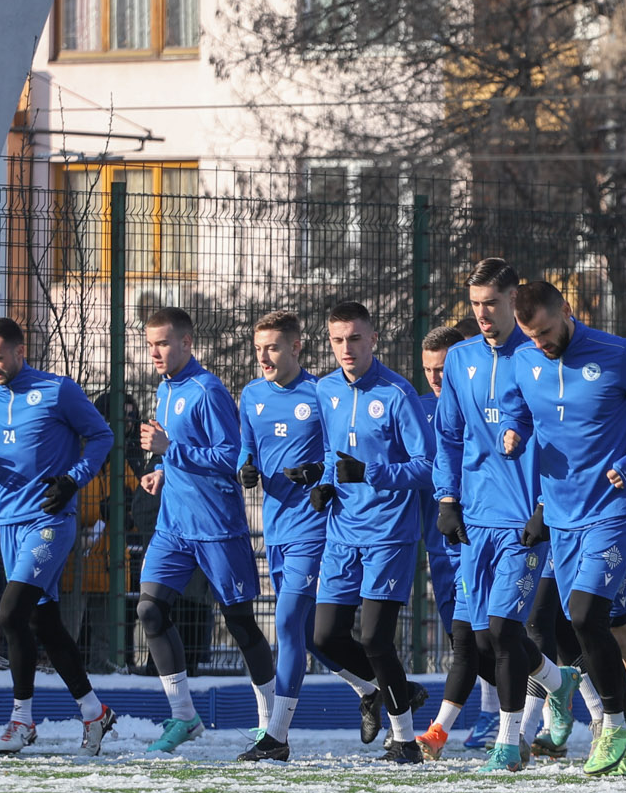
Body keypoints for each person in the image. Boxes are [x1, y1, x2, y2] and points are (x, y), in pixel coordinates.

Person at [499, 279, 626, 776]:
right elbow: (519, 405)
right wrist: (513, 430)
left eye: (545, 332)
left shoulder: (618, 354)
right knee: (607, 625)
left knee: (583, 615)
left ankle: (615, 730)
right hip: (561, 514)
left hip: (615, 508)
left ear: (565, 309)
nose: (541, 344)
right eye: (530, 336)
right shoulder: (524, 359)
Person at [426, 260, 578, 772]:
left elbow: (563, 437)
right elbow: (448, 436)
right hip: (475, 516)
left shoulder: (539, 356)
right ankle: (559, 682)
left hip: (524, 520)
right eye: (476, 304)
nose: (483, 314)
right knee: (483, 637)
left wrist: (544, 507)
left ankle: (509, 745)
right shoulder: (460, 359)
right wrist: (446, 499)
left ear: (515, 300)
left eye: (492, 303)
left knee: (505, 629)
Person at [0, 317, 118, 757]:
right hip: (8, 522)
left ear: (19, 351)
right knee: (43, 623)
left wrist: (73, 479)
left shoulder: (57, 389)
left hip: (50, 518)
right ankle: (94, 712)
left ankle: (21, 721)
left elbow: (102, 435)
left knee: (10, 613)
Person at [236, 309, 385, 762]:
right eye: (259, 347)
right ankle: (374, 688)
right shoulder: (251, 394)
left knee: (285, 624)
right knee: (301, 634)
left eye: (273, 347)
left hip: (314, 527)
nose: (264, 356)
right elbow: (247, 445)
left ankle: (276, 736)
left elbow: (336, 448)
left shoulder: (319, 392)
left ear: (296, 348)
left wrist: (320, 475)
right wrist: (244, 467)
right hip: (276, 526)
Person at [135, 306, 277, 754]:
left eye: (162, 343)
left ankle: (272, 723)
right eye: (150, 343)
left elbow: (231, 457)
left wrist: (170, 450)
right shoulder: (165, 388)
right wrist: (162, 469)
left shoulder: (207, 389)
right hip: (174, 526)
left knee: (240, 623)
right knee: (150, 612)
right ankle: (183, 716)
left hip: (217, 527)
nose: (155, 352)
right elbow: (177, 452)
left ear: (186, 342)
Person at [312, 301, 435, 763]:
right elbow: (331, 450)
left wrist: (373, 474)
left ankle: (404, 742)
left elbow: (427, 467)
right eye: (339, 340)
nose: (347, 348)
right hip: (343, 531)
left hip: (389, 533)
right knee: (323, 637)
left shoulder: (398, 393)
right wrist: (325, 483)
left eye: (356, 338)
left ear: (374, 339)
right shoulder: (325, 389)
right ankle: (385, 689)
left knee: (375, 640)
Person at [416, 322, 496, 754]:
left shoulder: (484, 404)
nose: (434, 377)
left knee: (486, 636)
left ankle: (492, 716)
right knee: (462, 638)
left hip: (491, 535)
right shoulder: (420, 407)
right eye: (428, 368)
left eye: (442, 367)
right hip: (441, 542)